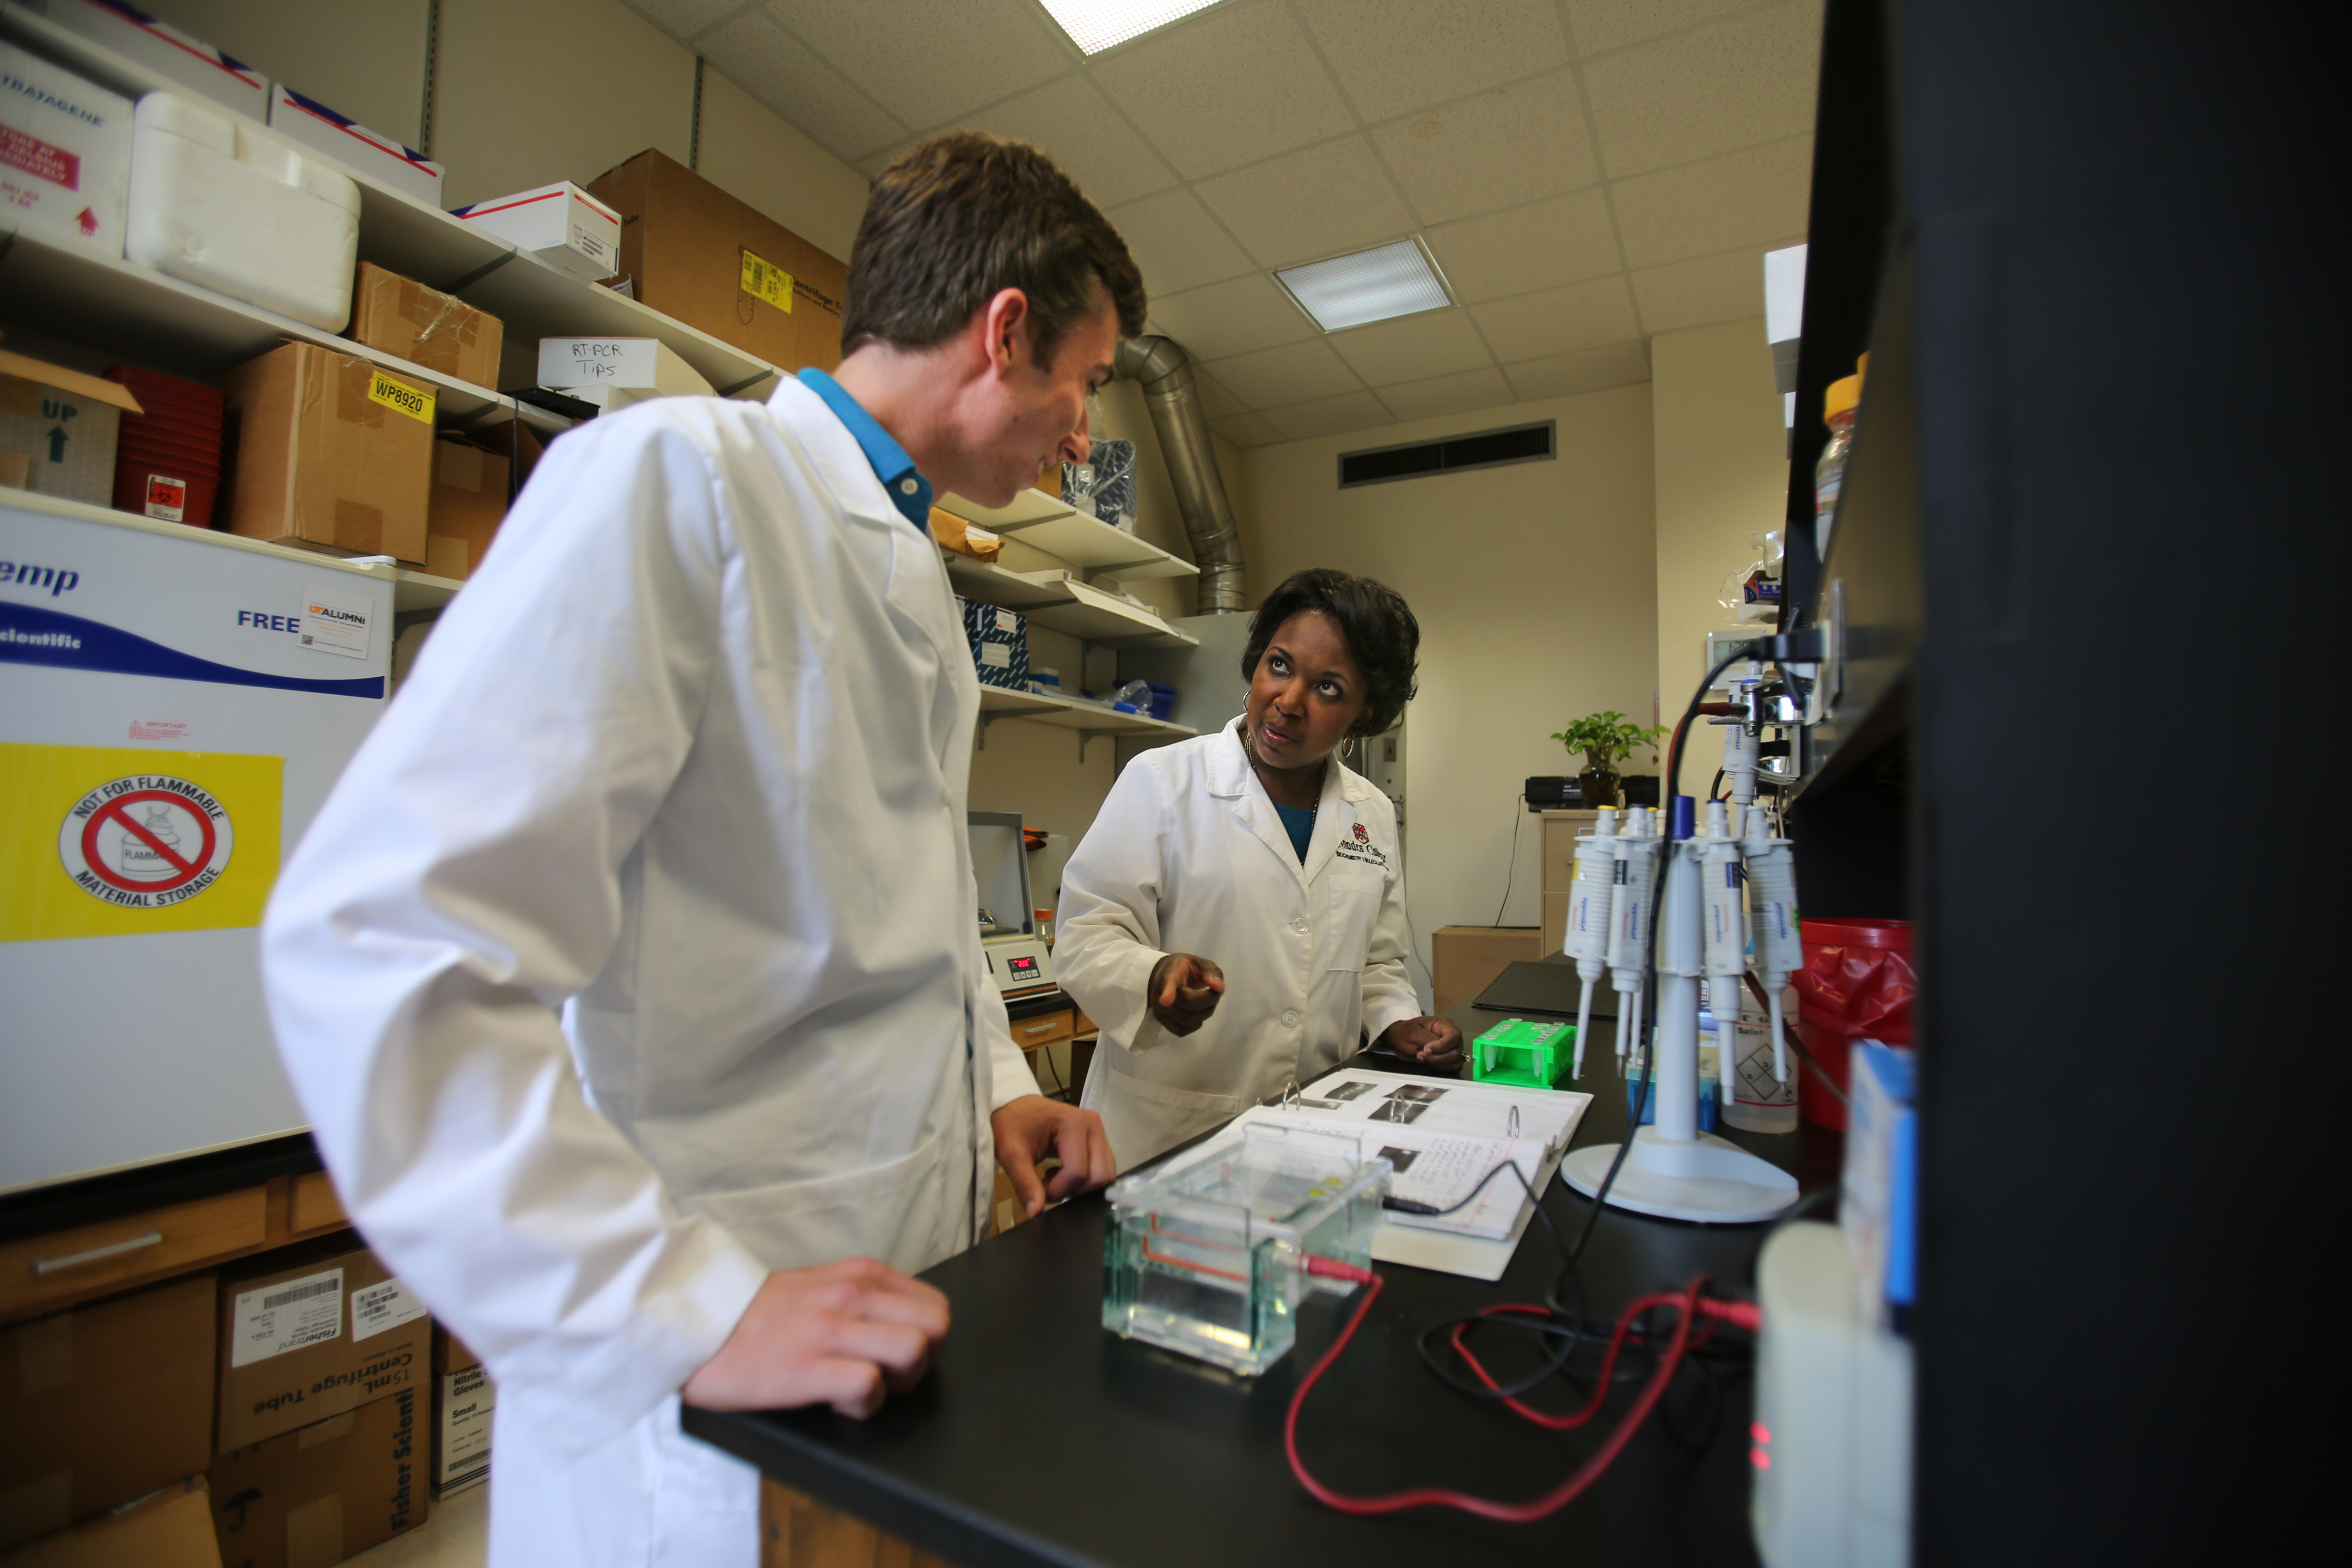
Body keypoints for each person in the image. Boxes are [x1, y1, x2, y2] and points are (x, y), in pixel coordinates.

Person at [259, 132, 1137, 1568]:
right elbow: (389, 937)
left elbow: (901, 905)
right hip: (709, 1323)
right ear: (1006, 332)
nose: (1083, 436)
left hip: (891, 1292)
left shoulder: (908, 569)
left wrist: (996, 1089)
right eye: (1087, 383)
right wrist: (675, 1306)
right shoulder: (680, 481)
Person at [1053, 569, 1462, 1167]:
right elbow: (1087, 932)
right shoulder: (1162, 782)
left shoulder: (1369, 814)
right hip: (1170, 1135)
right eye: (1279, 665)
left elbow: (1375, 963)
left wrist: (1399, 1024)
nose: (1289, 701)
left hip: (1318, 1128)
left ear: (1364, 712)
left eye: (1327, 688)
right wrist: (1153, 973)